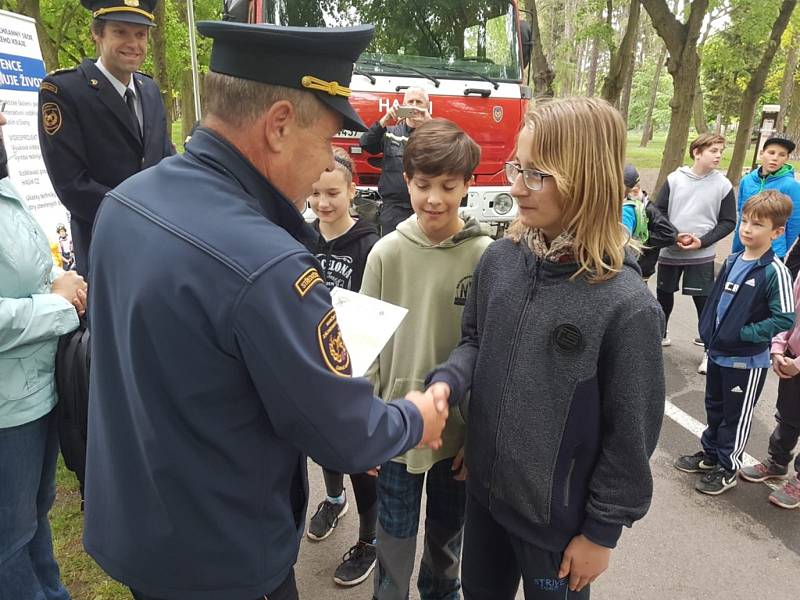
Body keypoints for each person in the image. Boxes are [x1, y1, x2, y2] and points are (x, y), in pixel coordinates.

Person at [82, 21, 448, 600]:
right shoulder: (268, 263)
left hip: (138, 531)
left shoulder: (127, 201)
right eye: (328, 142)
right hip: (224, 558)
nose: (327, 162)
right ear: (279, 125)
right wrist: (415, 416)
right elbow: (345, 435)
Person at [426, 97, 665, 599]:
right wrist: (450, 385)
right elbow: (476, 342)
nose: (515, 186)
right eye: (518, 166)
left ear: (584, 177)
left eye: (536, 174)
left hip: (558, 529)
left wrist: (602, 532)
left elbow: (632, 434)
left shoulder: (625, 305)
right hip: (486, 497)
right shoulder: (500, 260)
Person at [361, 118, 492, 600]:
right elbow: (365, 350)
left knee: (446, 537)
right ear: (406, 181)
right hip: (395, 428)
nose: (434, 199)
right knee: (392, 535)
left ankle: (441, 591)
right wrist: (368, 427)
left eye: (448, 186)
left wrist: (475, 434)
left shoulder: (485, 256)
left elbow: (488, 354)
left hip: (455, 437)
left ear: (468, 186)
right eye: (422, 185)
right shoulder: (385, 253)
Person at [0, 110, 87, 600]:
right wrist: (59, 306)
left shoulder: (4, 185)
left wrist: (56, 280)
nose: (4, 118)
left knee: (35, 518)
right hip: (6, 408)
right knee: (8, 541)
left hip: (33, 392)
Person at [38, 0, 174, 277]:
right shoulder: (64, 91)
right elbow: (71, 184)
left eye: (140, 34)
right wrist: (144, 215)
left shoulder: (149, 90)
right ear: (96, 34)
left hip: (161, 245)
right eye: (120, 32)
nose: (133, 43)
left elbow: (165, 159)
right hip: (107, 246)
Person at [675, 190, 795, 496]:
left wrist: (744, 335)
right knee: (715, 408)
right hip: (718, 354)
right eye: (744, 221)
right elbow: (716, 304)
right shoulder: (732, 260)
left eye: (757, 225)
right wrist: (709, 332)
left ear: (777, 232)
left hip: (745, 361)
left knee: (735, 417)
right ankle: (711, 455)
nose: (746, 229)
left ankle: (728, 467)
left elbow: (784, 319)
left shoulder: (774, 271)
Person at [304, 147, 382, 586]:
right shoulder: (302, 237)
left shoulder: (371, 246)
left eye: (332, 192)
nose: (323, 203)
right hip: (312, 366)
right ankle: (333, 499)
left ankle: (370, 540)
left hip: (356, 371)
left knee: (358, 458)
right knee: (321, 443)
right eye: (315, 193)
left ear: (353, 190)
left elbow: (378, 312)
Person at [655, 133, 736, 374]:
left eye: (721, 150)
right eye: (713, 150)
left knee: (704, 303)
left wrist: (702, 241)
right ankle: (660, 335)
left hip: (701, 255)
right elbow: (658, 212)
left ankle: (709, 350)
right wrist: (674, 235)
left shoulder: (723, 184)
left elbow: (728, 221)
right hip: (671, 251)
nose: (719, 155)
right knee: (664, 296)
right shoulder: (674, 179)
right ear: (697, 152)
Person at [739, 260, 800, 510]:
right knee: (787, 416)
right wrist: (777, 349)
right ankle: (777, 462)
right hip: (791, 358)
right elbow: (790, 314)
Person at [359, 86, 432, 235]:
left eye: (419, 102)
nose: (414, 106)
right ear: (403, 106)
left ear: (427, 107)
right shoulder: (391, 133)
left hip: (426, 208)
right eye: (410, 102)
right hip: (393, 210)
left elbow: (450, 151)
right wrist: (386, 119)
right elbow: (366, 143)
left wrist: (430, 123)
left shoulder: (435, 134)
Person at [732, 133, 800, 259]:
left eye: (782, 155)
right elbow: (741, 212)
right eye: (771, 152)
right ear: (762, 153)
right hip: (743, 247)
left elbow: (795, 223)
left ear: (787, 158)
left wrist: (779, 247)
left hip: (770, 250)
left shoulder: (791, 185)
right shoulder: (746, 180)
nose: (775, 158)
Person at [621, 164, 677, 280]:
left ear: (635, 190)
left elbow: (669, 234)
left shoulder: (642, 209)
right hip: (636, 267)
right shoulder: (634, 207)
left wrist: (640, 238)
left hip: (639, 268)